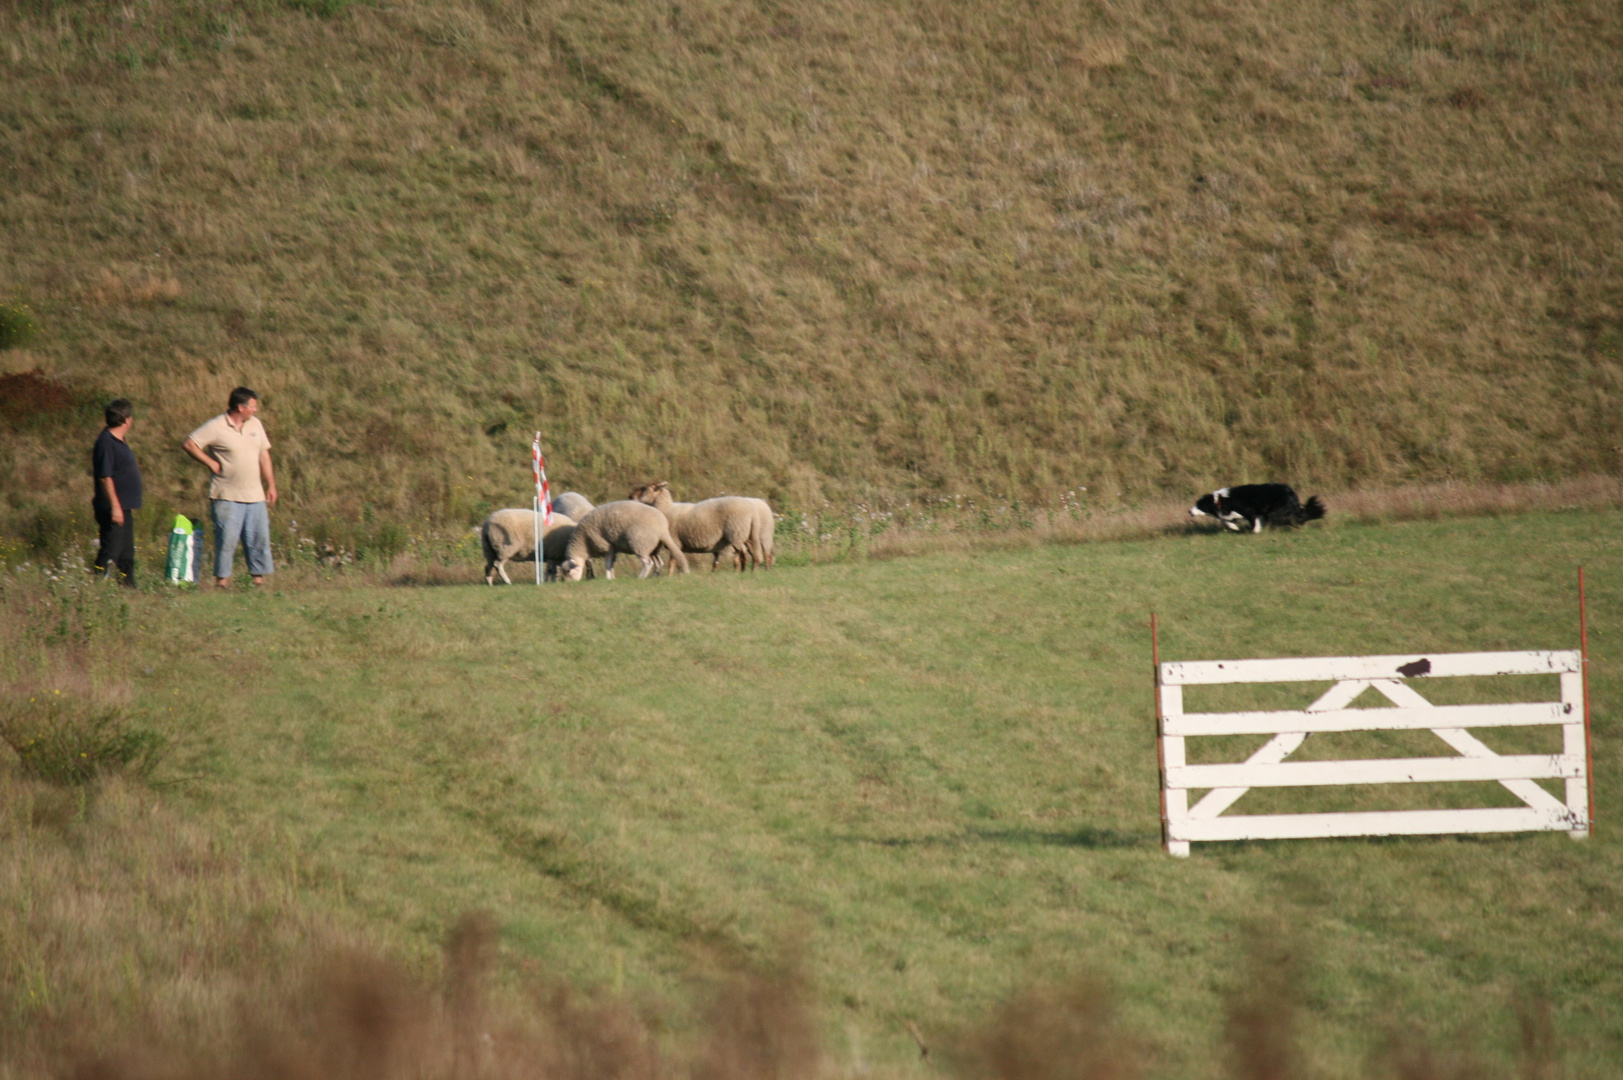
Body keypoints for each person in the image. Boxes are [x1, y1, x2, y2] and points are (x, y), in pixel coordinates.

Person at [182, 386, 278, 587]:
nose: (255, 410)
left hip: (255, 495)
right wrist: (211, 463)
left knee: (258, 539)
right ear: (240, 407)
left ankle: (258, 581)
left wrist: (271, 485)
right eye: (252, 406)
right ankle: (222, 582)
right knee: (226, 540)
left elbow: (264, 455)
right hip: (227, 495)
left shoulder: (255, 425)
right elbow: (190, 444)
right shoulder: (216, 426)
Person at [92, 398, 142, 586]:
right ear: (126, 420)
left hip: (124, 505)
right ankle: (97, 582)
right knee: (111, 548)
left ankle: (128, 585)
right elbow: (105, 477)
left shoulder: (119, 441)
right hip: (113, 506)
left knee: (126, 550)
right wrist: (115, 506)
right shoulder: (106, 443)